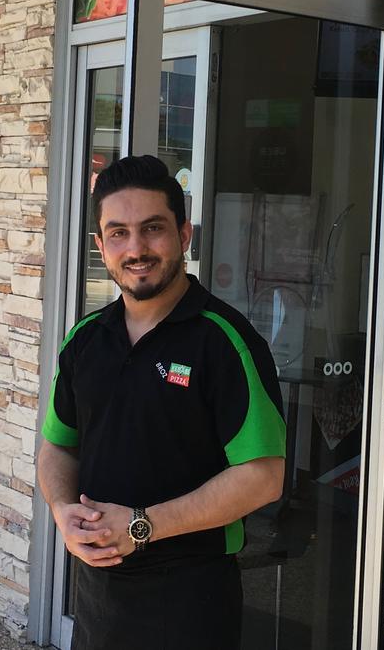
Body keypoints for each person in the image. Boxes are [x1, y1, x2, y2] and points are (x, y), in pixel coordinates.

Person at [38, 155, 286, 650]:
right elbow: (57, 447)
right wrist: (64, 511)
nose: (136, 249)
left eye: (152, 228)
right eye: (118, 233)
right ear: (100, 246)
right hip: (97, 595)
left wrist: (141, 526)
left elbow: (264, 476)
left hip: (190, 600)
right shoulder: (85, 341)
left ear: (184, 234)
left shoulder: (225, 341)